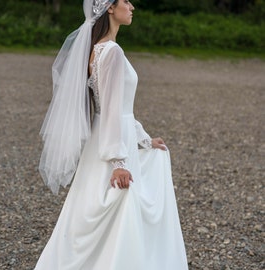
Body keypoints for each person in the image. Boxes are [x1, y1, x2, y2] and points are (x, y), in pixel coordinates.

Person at [35, 0, 188, 269]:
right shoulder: (112, 52)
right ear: (109, 8)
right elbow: (113, 110)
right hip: (113, 143)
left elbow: (113, 108)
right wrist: (118, 162)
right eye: (126, 1)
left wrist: (144, 139)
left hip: (103, 139)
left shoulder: (96, 51)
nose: (132, 7)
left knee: (91, 208)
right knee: (120, 203)